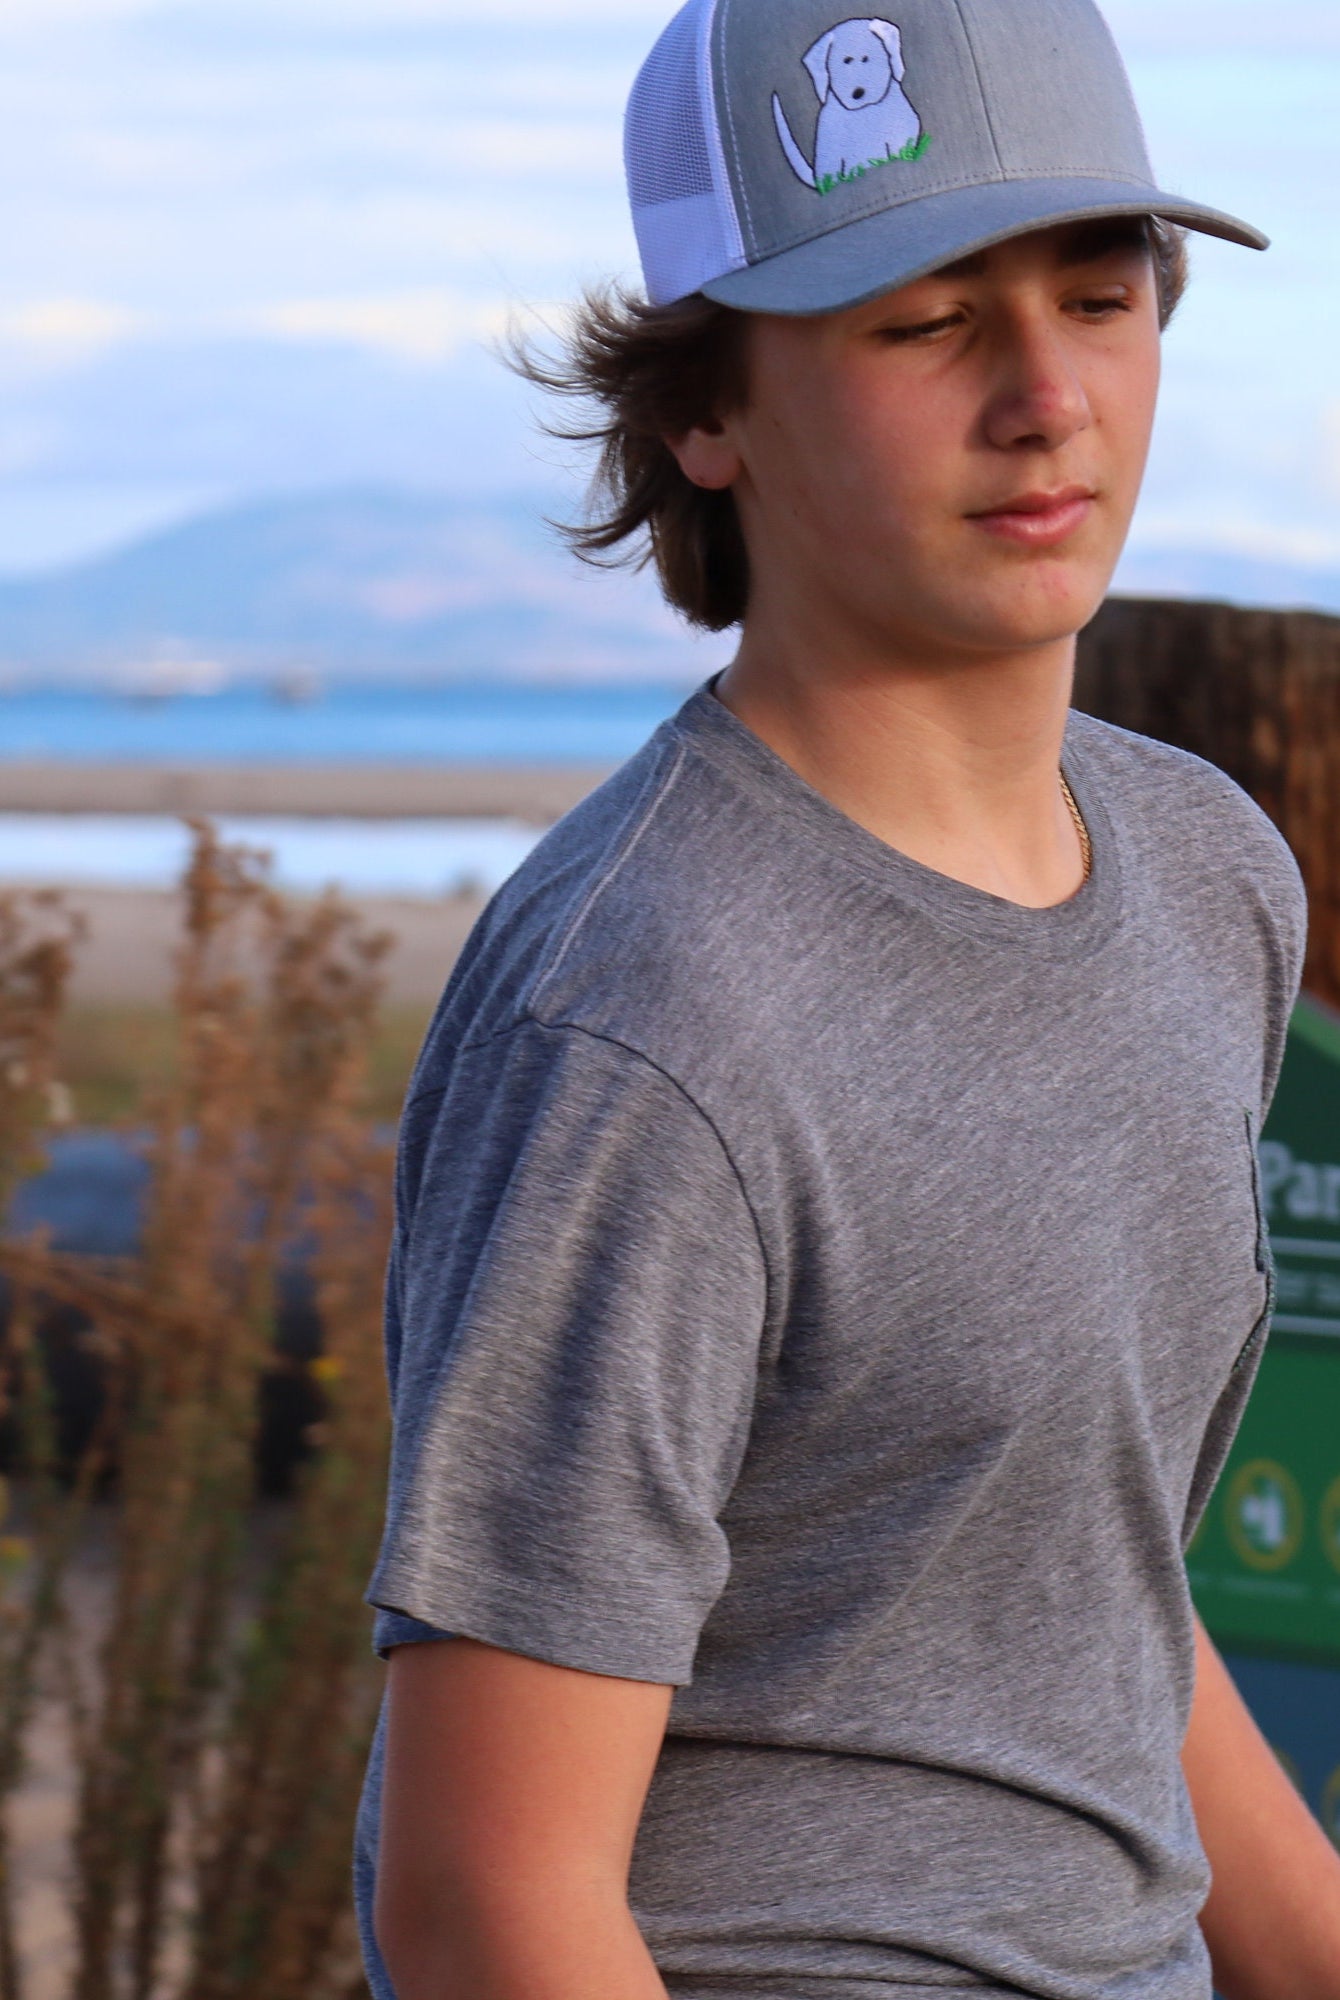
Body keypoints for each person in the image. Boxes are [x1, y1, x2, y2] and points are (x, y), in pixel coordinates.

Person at [355, 0, 1340, 1994]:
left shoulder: (1209, 870)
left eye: (1096, 295)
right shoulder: (643, 1018)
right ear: (705, 409)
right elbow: (481, 1900)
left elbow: (1076, 1589)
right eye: (922, 323)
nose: (1045, 396)